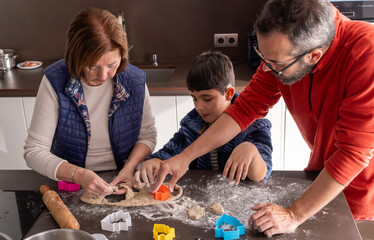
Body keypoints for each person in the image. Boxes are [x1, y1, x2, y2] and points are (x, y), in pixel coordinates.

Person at [150, 0, 374, 237]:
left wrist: (294, 214)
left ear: (314, 56)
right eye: (261, 55)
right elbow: (244, 109)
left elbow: (353, 154)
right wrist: (185, 157)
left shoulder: (365, 55)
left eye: (274, 63)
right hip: (321, 174)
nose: (265, 70)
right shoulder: (283, 51)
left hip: (361, 190)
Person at [24, 8, 157, 197]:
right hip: (70, 183)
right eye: (93, 66)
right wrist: (79, 175)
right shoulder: (55, 81)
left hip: (123, 179)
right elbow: (34, 151)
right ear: (75, 57)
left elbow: (147, 136)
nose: (103, 75)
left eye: (112, 65)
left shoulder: (134, 80)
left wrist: (129, 168)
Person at [133, 51, 273, 188]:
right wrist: (154, 162)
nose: (199, 107)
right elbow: (168, 153)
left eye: (207, 99)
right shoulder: (192, 124)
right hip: (199, 199)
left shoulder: (255, 125)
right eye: (194, 98)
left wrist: (251, 150)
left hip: (239, 201)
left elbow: (262, 174)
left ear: (229, 93)